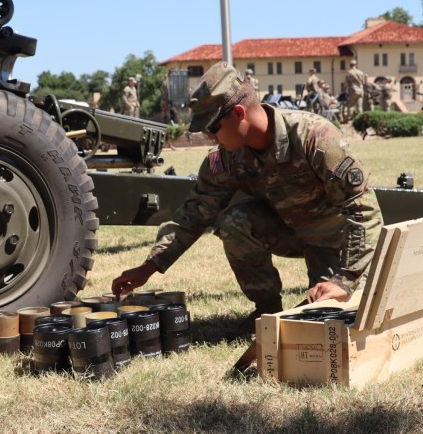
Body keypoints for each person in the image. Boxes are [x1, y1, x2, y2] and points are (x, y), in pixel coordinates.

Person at [111, 62, 383, 334]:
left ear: (239, 113)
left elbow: (363, 208)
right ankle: (267, 309)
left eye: (212, 128)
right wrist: (149, 267)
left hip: (333, 242)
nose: (210, 137)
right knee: (235, 220)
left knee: (325, 318)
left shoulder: (315, 137)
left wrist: (345, 279)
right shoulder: (227, 158)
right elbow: (195, 214)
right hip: (287, 233)